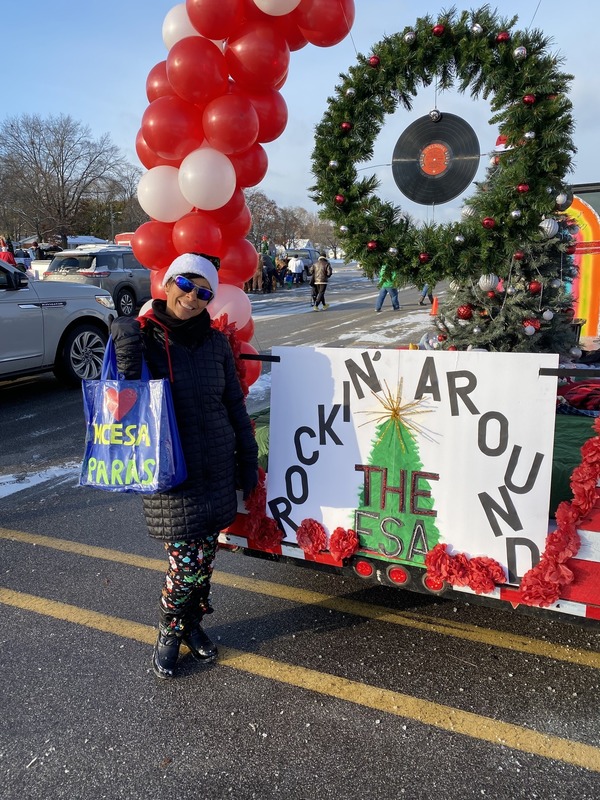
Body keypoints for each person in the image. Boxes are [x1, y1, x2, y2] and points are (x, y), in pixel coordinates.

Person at [111, 253, 259, 680]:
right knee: (186, 566)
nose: (193, 298)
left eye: (204, 292)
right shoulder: (145, 338)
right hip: (173, 473)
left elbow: (233, 403)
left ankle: (193, 625)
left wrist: (246, 460)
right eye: (186, 285)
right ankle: (168, 632)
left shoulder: (214, 343)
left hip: (214, 467)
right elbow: (123, 404)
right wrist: (123, 344)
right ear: (169, 283)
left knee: (204, 561)